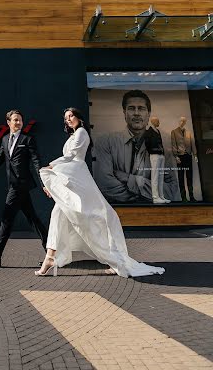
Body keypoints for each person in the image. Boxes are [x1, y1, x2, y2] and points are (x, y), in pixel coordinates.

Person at [36, 108, 165, 278]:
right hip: (71, 176)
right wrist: (53, 181)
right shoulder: (73, 135)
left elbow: (72, 155)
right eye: (65, 118)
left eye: (71, 116)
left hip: (79, 178)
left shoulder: (82, 133)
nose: (68, 119)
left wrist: (50, 167)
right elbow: (67, 161)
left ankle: (112, 258)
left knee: (92, 215)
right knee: (59, 212)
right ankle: (51, 257)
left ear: (79, 118)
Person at [0, 109, 48, 268]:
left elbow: (36, 162)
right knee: (33, 220)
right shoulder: (5, 139)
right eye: (15, 120)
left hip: (20, 186)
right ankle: (53, 255)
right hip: (13, 186)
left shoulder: (27, 139)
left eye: (20, 120)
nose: (19, 123)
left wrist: (44, 183)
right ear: (8, 122)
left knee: (6, 220)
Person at [93, 90, 178, 203]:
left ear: (148, 114)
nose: (136, 113)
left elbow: (171, 191)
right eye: (131, 108)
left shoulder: (161, 146)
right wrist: (148, 194)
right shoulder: (106, 142)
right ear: (124, 113)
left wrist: (129, 179)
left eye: (141, 108)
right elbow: (104, 186)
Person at [144, 117, 171, 204]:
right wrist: (152, 151)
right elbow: (147, 144)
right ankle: (155, 197)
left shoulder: (158, 131)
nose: (159, 122)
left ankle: (161, 196)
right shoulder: (148, 132)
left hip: (161, 155)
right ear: (153, 121)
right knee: (155, 176)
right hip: (154, 155)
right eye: (157, 121)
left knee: (160, 176)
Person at [171, 117, 198, 202]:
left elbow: (192, 143)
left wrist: (195, 154)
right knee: (181, 176)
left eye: (184, 121)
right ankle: (183, 197)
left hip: (188, 156)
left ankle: (192, 196)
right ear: (179, 121)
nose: (182, 122)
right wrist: (176, 156)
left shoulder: (189, 132)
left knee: (189, 176)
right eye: (181, 120)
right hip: (180, 157)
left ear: (185, 122)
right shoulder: (174, 132)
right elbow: (173, 144)